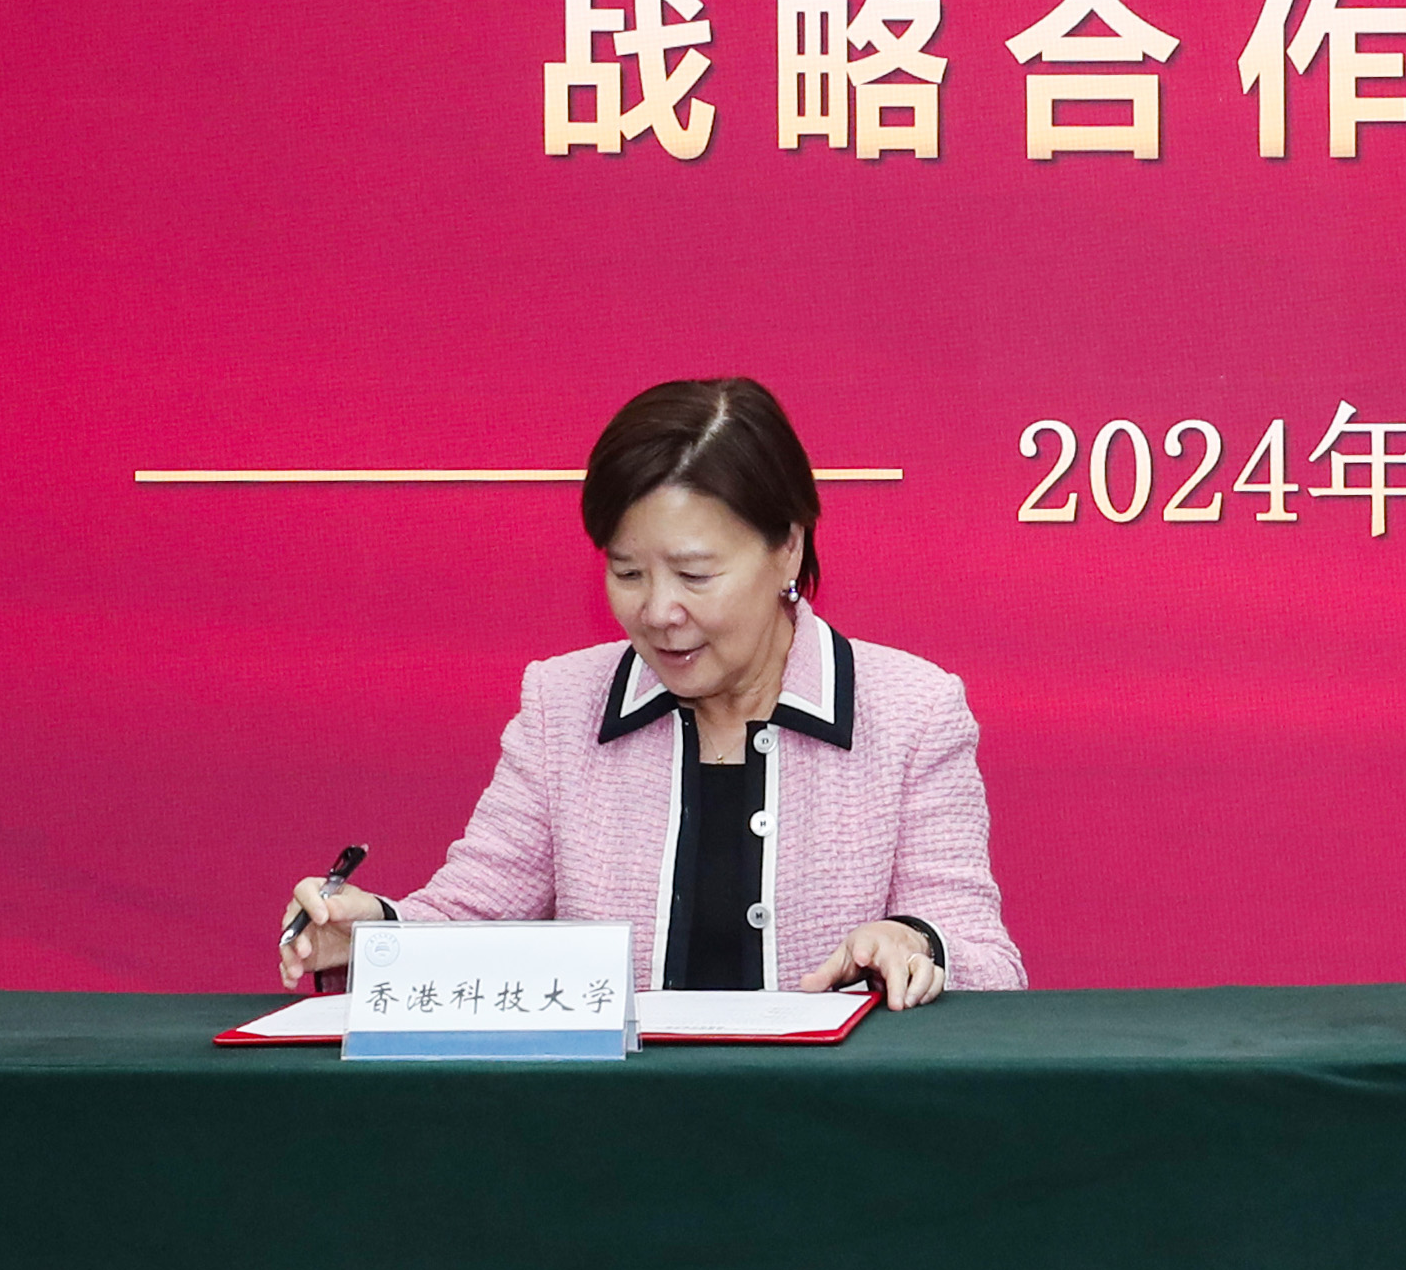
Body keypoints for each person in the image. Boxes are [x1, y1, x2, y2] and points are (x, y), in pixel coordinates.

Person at [277, 377, 1021, 1007]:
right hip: (613, 1130)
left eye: (695, 575)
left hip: (832, 1127)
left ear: (788, 545)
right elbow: (469, 919)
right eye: (628, 572)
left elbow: (988, 965)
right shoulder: (562, 706)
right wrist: (368, 937)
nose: (659, 611)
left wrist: (916, 944)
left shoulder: (912, 712)